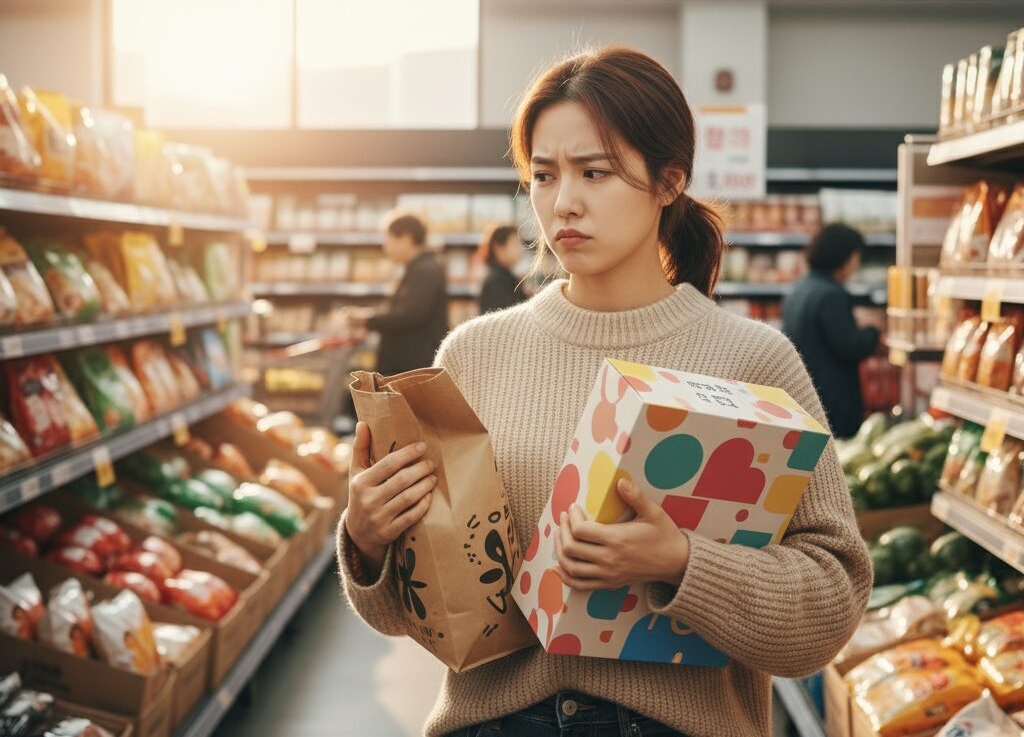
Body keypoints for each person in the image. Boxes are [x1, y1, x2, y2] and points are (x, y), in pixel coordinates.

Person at [338, 46, 871, 737]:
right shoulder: (473, 357)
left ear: (669, 181)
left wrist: (682, 564)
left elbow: (831, 604)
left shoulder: (752, 361)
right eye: (544, 175)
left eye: (596, 173)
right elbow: (410, 615)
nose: (564, 203)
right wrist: (369, 541)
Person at [782, 224, 882, 439]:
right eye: (856, 256)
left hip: (804, 394)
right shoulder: (831, 294)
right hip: (832, 400)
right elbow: (849, 346)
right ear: (843, 256)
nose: (856, 264)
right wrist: (873, 330)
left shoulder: (800, 289)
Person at [353, 211, 449, 376]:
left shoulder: (425, 271)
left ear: (405, 238)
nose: (386, 248)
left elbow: (411, 314)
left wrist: (368, 321)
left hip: (414, 367)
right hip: (410, 365)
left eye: (388, 240)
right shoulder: (417, 268)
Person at [478, 224, 528, 314]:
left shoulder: (506, 276)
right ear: (498, 248)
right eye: (515, 244)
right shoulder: (496, 281)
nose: (521, 249)